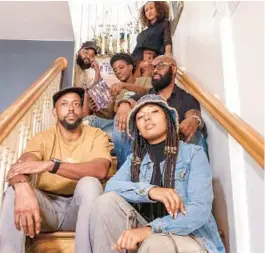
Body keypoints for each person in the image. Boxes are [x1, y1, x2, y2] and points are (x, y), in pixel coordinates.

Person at [89, 94, 225, 253]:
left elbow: (199, 210)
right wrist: (151, 191)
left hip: (188, 236)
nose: (147, 118)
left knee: (156, 243)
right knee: (104, 203)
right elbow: (111, 187)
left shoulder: (193, 154)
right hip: (146, 234)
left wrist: (151, 229)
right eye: (140, 117)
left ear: (168, 120)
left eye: (154, 112)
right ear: (138, 130)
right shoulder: (135, 160)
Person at [0, 87, 111, 253]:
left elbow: (100, 169)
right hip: (46, 209)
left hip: (79, 208)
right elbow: (19, 167)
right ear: (54, 112)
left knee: (90, 183)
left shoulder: (96, 135)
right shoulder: (43, 137)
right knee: (14, 191)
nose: (71, 108)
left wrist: (53, 165)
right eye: (64, 104)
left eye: (76, 104)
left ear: (82, 110)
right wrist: (22, 186)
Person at [114, 55, 208, 168]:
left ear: (173, 69)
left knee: (197, 135)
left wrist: (194, 120)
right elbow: (131, 100)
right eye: (153, 68)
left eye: (160, 66)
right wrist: (124, 105)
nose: (155, 71)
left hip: (173, 153)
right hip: (147, 150)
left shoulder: (185, 97)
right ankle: (128, 171)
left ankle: (195, 178)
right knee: (121, 119)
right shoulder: (149, 95)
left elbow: (193, 113)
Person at [83, 53, 152, 140]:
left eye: (121, 67)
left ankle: (117, 137)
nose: (118, 72)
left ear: (130, 67)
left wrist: (125, 85)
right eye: (115, 70)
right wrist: (97, 108)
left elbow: (148, 92)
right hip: (117, 125)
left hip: (137, 123)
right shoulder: (114, 90)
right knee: (89, 120)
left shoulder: (145, 80)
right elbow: (110, 115)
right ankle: (115, 136)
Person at [132, 1, 172, 75]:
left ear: (158, 9)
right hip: (137, 64)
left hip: (151, 64)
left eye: (151, 8)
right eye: (146, 10)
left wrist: (168, 56)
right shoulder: (143, 32)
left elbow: (167, 41)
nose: (149, 11)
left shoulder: (164, 24)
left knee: (144, 84)